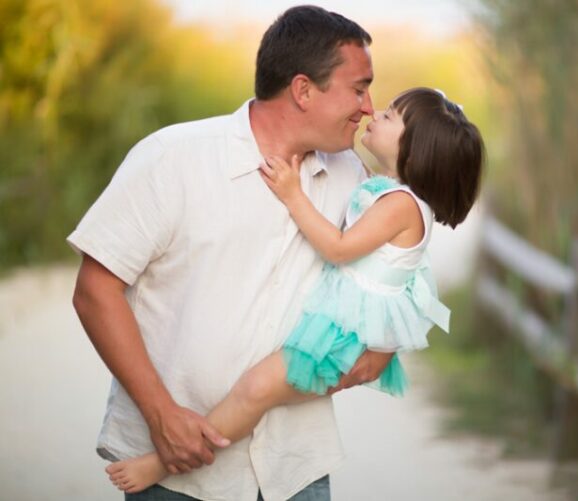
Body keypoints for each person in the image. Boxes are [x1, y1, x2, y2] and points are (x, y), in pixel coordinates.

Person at [69, 6, 390, 501]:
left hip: (296, 470)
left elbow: (390, 278)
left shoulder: (355, 178)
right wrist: (161, 414)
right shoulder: (172, 158)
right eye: (358, 87)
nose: (368, 107)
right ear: (303, 90)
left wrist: (376, 348)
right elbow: (95, 291)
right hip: (177, 469)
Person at [103, 87, 485, 494]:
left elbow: (338, 250)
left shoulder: (400, 206)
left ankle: (164, 463)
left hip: (340, 334)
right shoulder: (385, 190)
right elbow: (404, 269)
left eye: (391, 116)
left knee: (255, 390)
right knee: (258, 393)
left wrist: (292, 194)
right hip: (340, 325)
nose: (375, 112)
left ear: (415, 148)